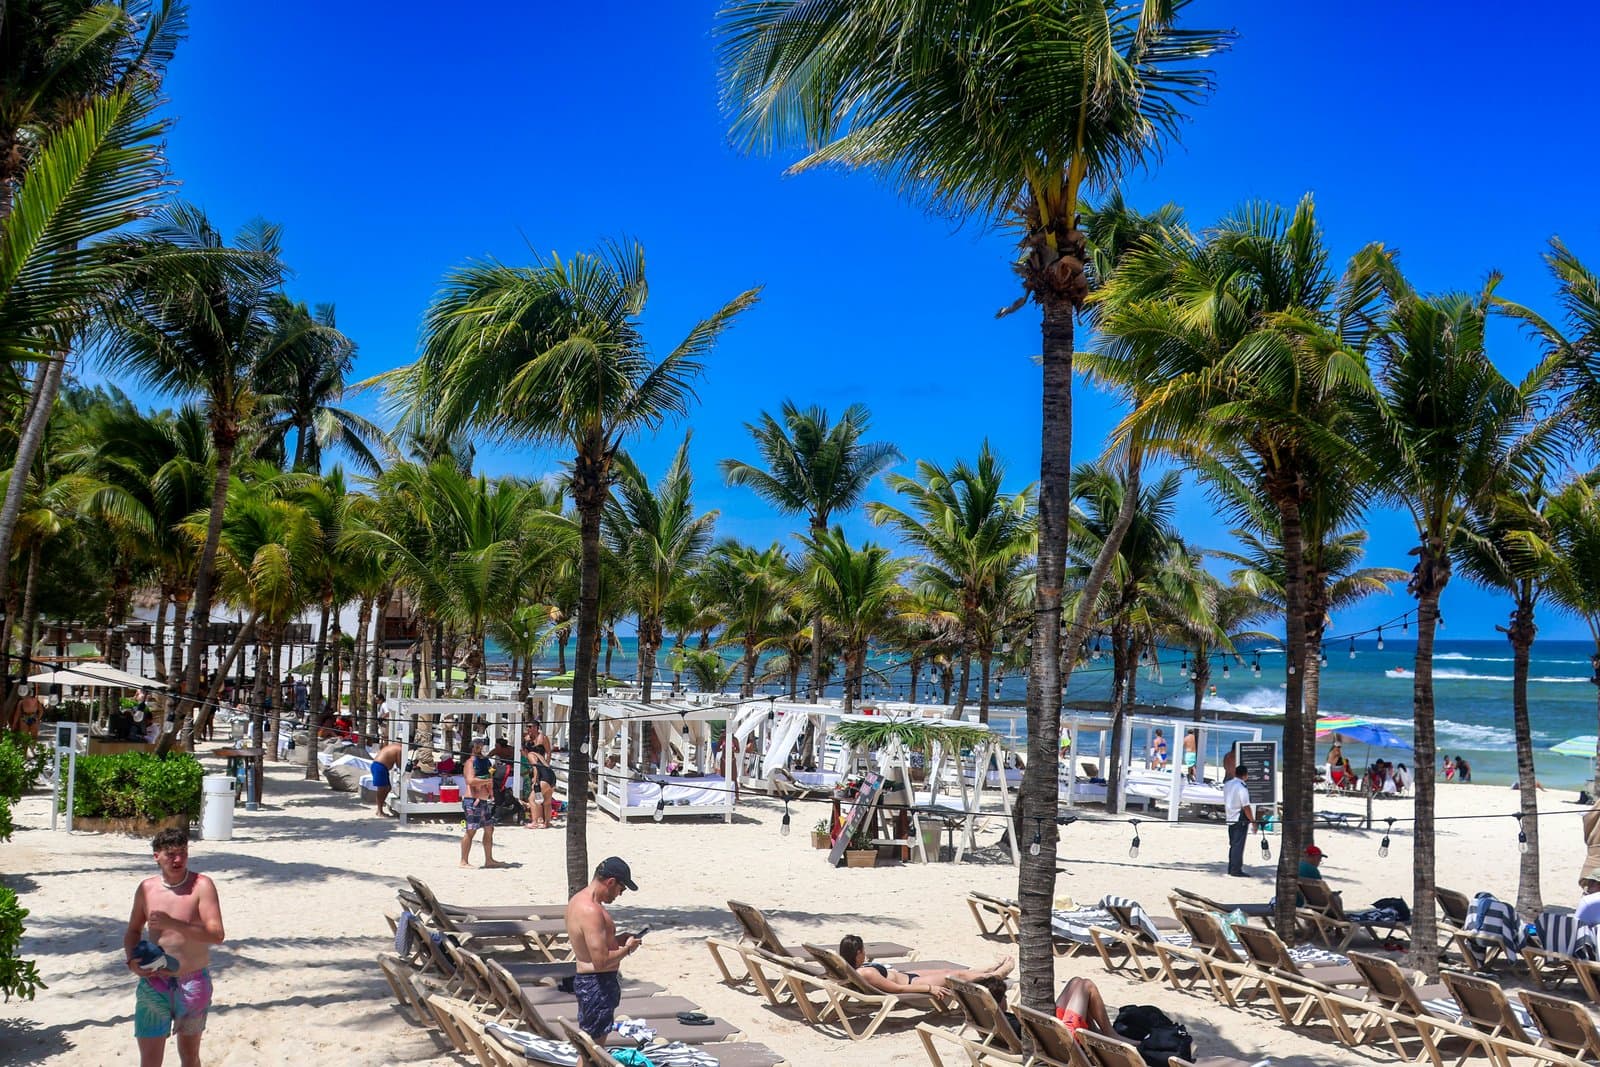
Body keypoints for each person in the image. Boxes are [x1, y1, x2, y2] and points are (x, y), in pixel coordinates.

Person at [124, 827, 225, 1067]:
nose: (178, 859)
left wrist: (173, 924)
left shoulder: (202, 886)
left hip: (192, 984)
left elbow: (217, 935)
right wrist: (131, 960)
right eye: (170, 854)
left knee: (189, 1057)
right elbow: (133, 931)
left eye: (182, 852)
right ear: (156, 856)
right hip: (153, 984)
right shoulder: (146, 889)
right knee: (149, 1060)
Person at [565, 857, 642, 1039]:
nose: (619, 895)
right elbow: (601, 962)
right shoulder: (591, 911)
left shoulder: (577, 900)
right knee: (592, 1050)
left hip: (591, 983)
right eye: (620, 889)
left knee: (591, 1049)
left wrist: (615, 940)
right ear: (611, 882)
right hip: (596, 985)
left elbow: (590, 944)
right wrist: (628, 948)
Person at [839, 933, 1012, 1001]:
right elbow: (897, 989)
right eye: (863, 950)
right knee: (954, 976)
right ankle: (998, 974)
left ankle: (991, 968)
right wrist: (930, 989)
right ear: (858, 953)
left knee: (948, 972)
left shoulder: (847, 966)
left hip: (907, 975)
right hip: (912, 984)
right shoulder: (867, 972)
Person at [459, 739, 507, 868]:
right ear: (473, 748)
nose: (481, 748)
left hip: (484, 801)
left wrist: (490, 790)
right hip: (472, 801)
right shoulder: (470, 763)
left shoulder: (485, 762)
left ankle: (489, 860)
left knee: (489, 828)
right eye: (478, 746)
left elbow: (488, 778)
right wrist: (486, 781)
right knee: (471, 830)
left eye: (481, 746)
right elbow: (470, 780)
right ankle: (463, 861)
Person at [1223, 764, 1254, 877]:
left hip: (1230, 815)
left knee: (1233, 844)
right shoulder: (1242, 787)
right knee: (1238, 845)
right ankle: (1236, 869)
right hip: (1239, 817)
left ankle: (1232, 867)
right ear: (1245, 775)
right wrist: (1253, 821)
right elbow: (1246, 806)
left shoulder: (1227, 784)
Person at [526, 721, 558, 828]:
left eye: (530, 726)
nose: (528, 728)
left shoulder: (531, 754)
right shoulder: (539, 756)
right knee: (547, 801)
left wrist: (535, 779)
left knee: (532, 798)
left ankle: (534, 822)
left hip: (543, 774)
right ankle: (546, 823)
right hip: (551, 774)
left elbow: (535, 767)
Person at [371, 739, 402, 817]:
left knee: (388, 788)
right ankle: (379, 811)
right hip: (380, 767)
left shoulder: (392, 746)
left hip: (378, 766)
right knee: (382, 789)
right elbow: (399, 765)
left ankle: (380, 809)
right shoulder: (399, 749)